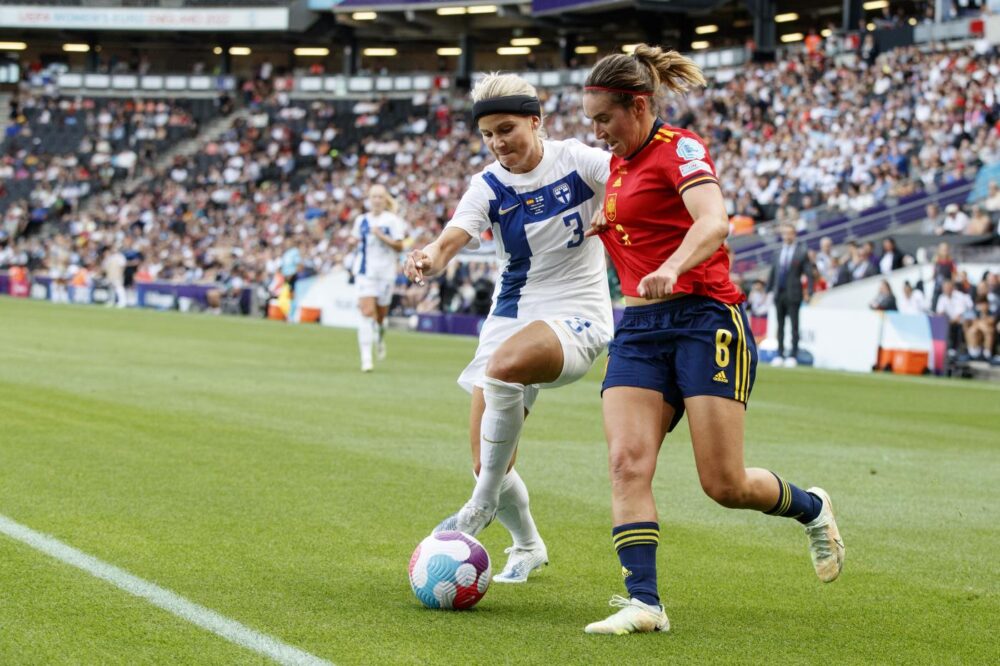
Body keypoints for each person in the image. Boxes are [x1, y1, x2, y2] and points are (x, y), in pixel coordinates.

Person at [580, 44, 844, 636]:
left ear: (639, 105)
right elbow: (639, 224)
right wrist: (609, 228)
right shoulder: (617, 166)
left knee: (723, 484)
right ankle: (644, 602)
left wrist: (673, 266)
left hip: (704, 319)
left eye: (604, 119)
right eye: (591, 122)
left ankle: (813, 507)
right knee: (625, 463)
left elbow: (713, 221)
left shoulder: (682, 149)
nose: (598, 133)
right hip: (640, 332)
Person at [404, 73, 613, 583]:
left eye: (507, 129)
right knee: (487, 460)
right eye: (488, 135)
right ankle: (527, 545)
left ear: (536, 121)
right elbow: (456, 234)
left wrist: (617, 211)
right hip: (512, 313)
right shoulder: (488, 184)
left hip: (577, 310)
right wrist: (431, 255)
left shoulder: (578, 160)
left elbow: (633, 181)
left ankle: (477, 509)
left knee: (502, 372)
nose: (498, 143)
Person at [349, 184, 410, 372]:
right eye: (373, 197)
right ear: (368, 199)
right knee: (366, 313)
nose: (376, 200)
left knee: (380, 317)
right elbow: (355, 240)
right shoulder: (361, 220)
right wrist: (353, 242)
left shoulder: (392, 221)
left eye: (380, 197)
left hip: (385, 274)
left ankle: (380, 337)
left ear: (385, 200)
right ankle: (366, 359)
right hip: (365, 273)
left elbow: (400, 246)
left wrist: (381, 236)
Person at [766, 223, 813, 367]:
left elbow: (808, 274)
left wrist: (809, 291)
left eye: (790, 233)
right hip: (778, 292)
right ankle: (779, 353)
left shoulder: (801, 252)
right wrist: (768, 290)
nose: (787, 236)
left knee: (794, 325)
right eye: (785, 233)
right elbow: (773, 272)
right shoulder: (777, 252)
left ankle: (793, 354)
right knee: (780, 325)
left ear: (794, 235)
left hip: (793, 293)